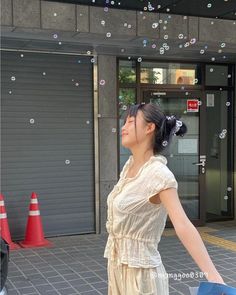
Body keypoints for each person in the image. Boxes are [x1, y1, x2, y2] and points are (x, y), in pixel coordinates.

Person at [104, 102, 225, 295]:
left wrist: (213, 276)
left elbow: (183, 225)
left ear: (149, 128)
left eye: (130, 122)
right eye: (124, 122)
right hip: (118, 269)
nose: (123, 128)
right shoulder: (129, 167)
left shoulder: (159, 174)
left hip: (142, 278)